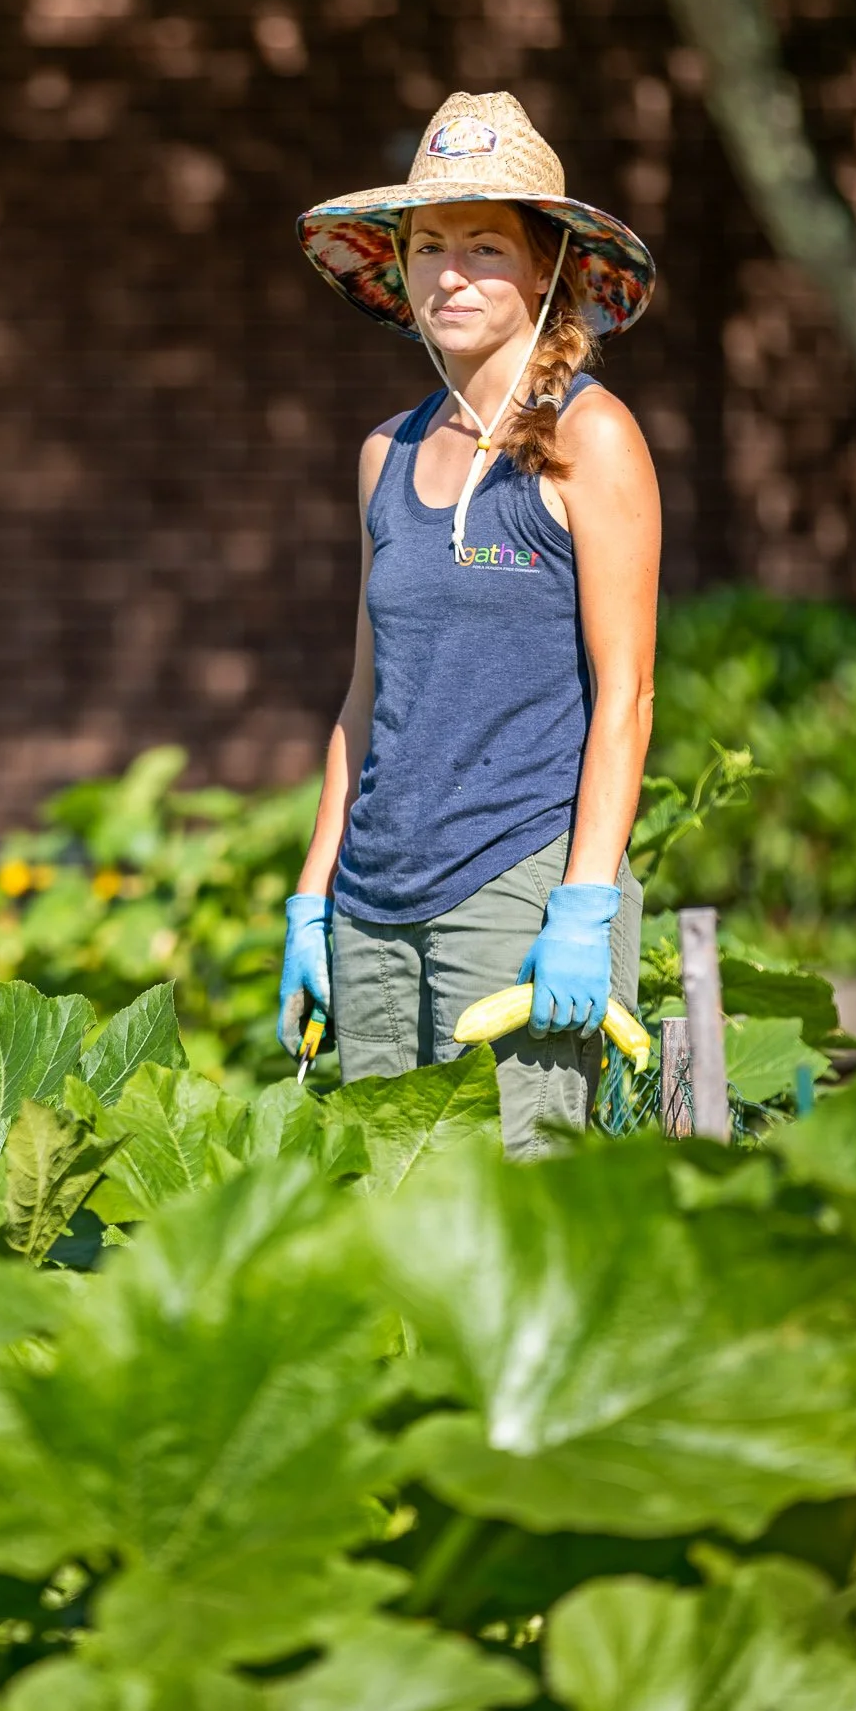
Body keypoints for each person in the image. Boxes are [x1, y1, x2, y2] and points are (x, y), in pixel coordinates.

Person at [278, 90, 660, 1158]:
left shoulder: (592, 438)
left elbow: (624, 695)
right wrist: (312, 896)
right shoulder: (383, 455)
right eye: (427, 245)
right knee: (384, 1212)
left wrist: (584, 903)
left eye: (483, 246)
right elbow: (364, 698)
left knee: (510, 1208)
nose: (448, 272)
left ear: (543, 267)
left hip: (514, 883)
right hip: (371, 903)